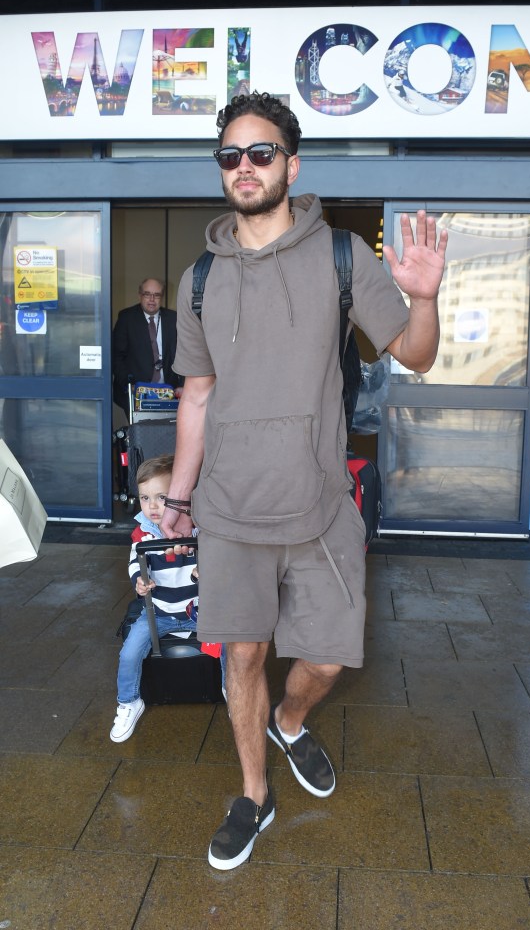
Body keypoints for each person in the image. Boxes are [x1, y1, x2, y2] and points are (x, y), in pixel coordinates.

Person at [160, 90, 448, 870]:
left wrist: (423, 296)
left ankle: (291, 721)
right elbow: (199, 395)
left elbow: (415, 355)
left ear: (291, 164)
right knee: (241, 659)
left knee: (327, 660)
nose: (244, 167)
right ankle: (253, 795)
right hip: (229, 513)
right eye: (230, 156)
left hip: (320, 509)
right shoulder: (198, 279)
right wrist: (178, 501)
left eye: (260, 153)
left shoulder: (341, 256)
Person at [110, 454, 199, 743]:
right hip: (158, 611)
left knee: (230, 649)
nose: (152, 506)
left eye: (162, 497)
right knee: (129, 652)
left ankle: (231, 691)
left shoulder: (195, 528)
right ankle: (129, 701)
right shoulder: (143, 533)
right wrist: (140, 580)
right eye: (145, 498)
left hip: (198, 608)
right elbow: (136, 562)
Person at [112, 277, 183, 418]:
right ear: (140, 295)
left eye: (156, 295)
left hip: (168, 392)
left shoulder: (173, 319)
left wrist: (183, 384)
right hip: (136, 392)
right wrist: (128, 384)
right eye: (147, 294)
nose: (152, 299)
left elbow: (185, 354)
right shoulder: (127, 318)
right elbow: (116, 356)